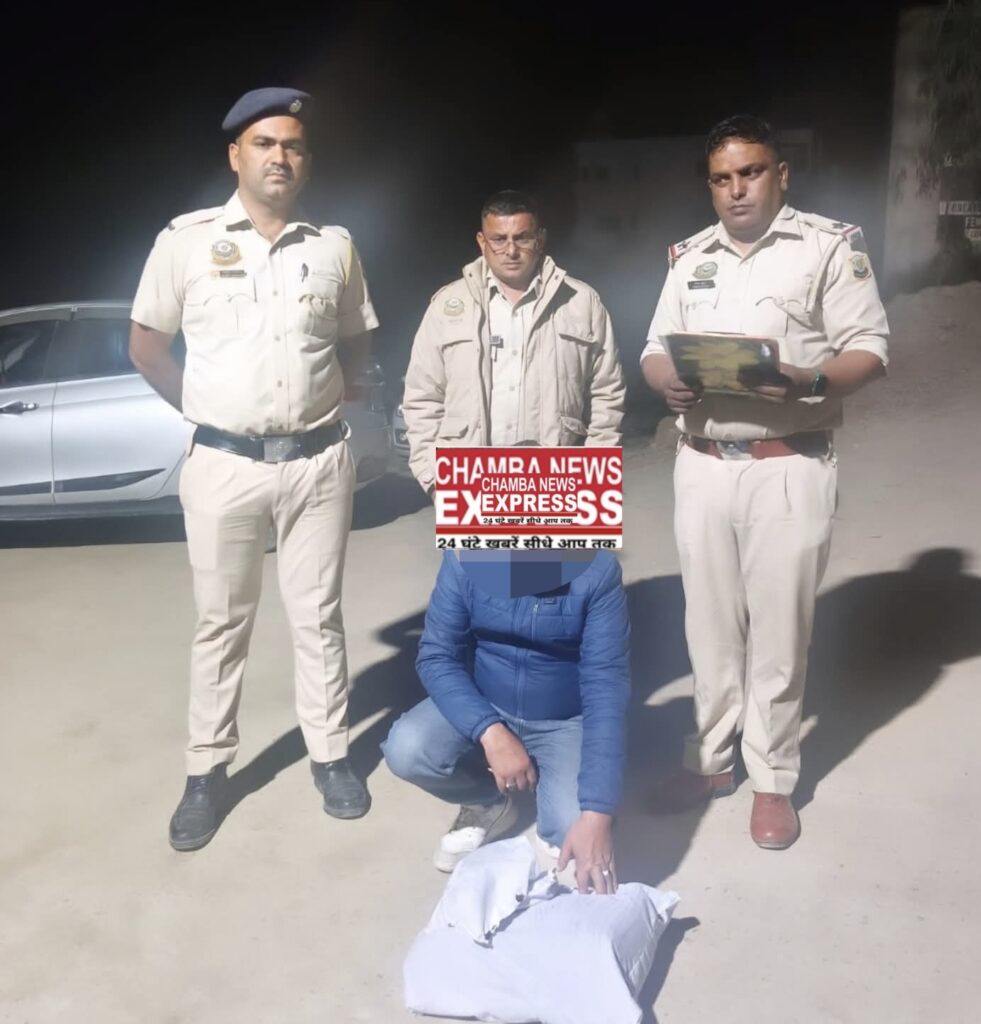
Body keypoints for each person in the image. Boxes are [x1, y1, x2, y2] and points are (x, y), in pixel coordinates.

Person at [129, 87, 379, 851]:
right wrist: (209, 413)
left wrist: (340, 397)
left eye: (293, 146)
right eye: (265, 144)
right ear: (235, 155)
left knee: (318, 616)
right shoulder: (187, 242)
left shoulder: (334, 247)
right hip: (224, 465)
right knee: (221, 623)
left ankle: (330, 755)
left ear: (307, 161)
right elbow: (146, 346)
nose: (280, 157)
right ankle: (206, 772)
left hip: (317, 462)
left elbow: (356, 341)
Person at [640, 115, 890, 849]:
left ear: (780, 174)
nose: (736, 189)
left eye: (750, 172)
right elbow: (655, 346)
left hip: (788, 462)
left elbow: (871, 347)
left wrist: (810, 379)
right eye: (721, 178)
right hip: (702, 465)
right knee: (709, 629)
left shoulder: (827, 247)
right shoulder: (689, 257)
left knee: (779, 634)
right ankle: (710, 762)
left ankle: (773, 779)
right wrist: (664, 382)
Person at [381, 550, 631, 894]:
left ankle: (555, 797)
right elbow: (437, 656)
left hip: (564, 721)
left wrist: (598, 812)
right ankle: (487, 802)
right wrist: (489, 731)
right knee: (408, 748)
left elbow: (606, 688)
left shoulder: (598, 569)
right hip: (486, 701)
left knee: (577, 845)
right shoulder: (464, 554)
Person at [401, 190, 626, 494]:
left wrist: (596, 474)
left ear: (540, 239)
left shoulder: (581, 302)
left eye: (522, 238)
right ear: (482, 242)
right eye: (499, 239)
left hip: (558, 483)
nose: (511, 250)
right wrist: (432, 478)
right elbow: (422, 396)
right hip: (467, 483)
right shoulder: (447, 305)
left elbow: (607, 393)